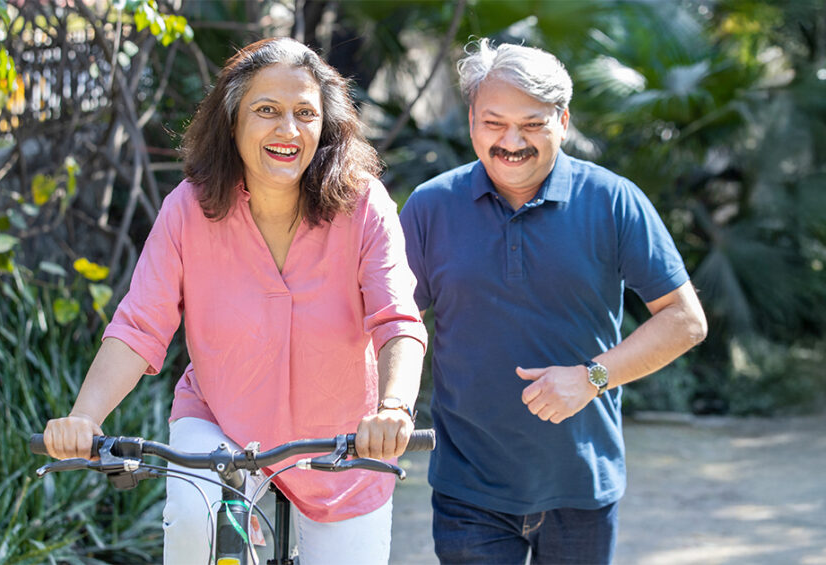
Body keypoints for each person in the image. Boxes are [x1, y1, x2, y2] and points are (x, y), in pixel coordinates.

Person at [41, 37, 427, 564]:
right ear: (232, 121)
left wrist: (392, 409)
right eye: (266, 110)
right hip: (220, 426)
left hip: (341, 447)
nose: (287, 129)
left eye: (304, 113)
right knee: (197, 519)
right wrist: (84, 417)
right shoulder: (188, 210)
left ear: (326, 127)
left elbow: (397, 318)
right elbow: (139, 326)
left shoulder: (363, 206)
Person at [400, 40, 708, 564]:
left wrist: (592, 377)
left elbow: (684, 320)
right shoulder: (430, 207)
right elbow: (391, 323)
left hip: (581, 483)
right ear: (471, 119)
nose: (511, 141)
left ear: (563, 121)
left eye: (533, 123)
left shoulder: (614, 200)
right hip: (467, 489)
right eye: (494, 122)